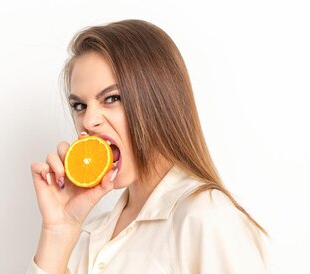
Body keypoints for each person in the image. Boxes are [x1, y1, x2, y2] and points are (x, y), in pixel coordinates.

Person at [27, 19, 269, 274]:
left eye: (112, 98)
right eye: (80, 106)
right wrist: (58, 232)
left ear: (158, 103)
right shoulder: (89, 234)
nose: (88, 121)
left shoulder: (205, 216)